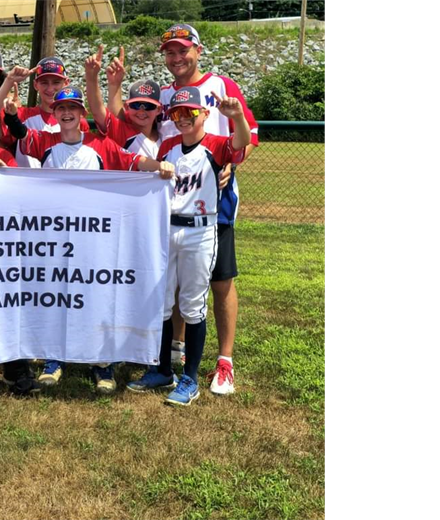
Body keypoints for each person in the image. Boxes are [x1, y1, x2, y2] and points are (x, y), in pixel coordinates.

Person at [12, 86, 175, 394]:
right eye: (62, 108)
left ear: (81, 111)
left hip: (94, 238)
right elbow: (19, 132)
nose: (67, 113)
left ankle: (103, 362)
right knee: (55, 295)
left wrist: (159, 167)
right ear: (55, 113)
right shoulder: (44, 141)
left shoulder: (100, 144)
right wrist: (10, 110)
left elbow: (133, 162)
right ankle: (53, 358)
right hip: (54, 237)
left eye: (73, 107)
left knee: (96, 296)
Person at [126, 86, 250, 406]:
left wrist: (236, 116)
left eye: (189, 113)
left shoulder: (215, 146)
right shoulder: (168, 145)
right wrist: (153, 167)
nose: (182, 119)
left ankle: (190, 378)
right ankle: (163, 369)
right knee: (165, 303)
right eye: (177, 113)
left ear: (204, 114)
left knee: (193, 305)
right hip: (168, 228)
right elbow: (139, 166)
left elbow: (242, 143)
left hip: (199, 230)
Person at [157, 24, 260, 395]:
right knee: (178, 285)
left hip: (216, 201)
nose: (176, 58)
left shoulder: (222, 86)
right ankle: (178, 354)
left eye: (182, 50)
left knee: (219, 282)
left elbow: (250, 137)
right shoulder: (165, 93)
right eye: (169, 52)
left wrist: (233, 162)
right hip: (178, 199)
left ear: (198, 50)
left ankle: (225, 361)